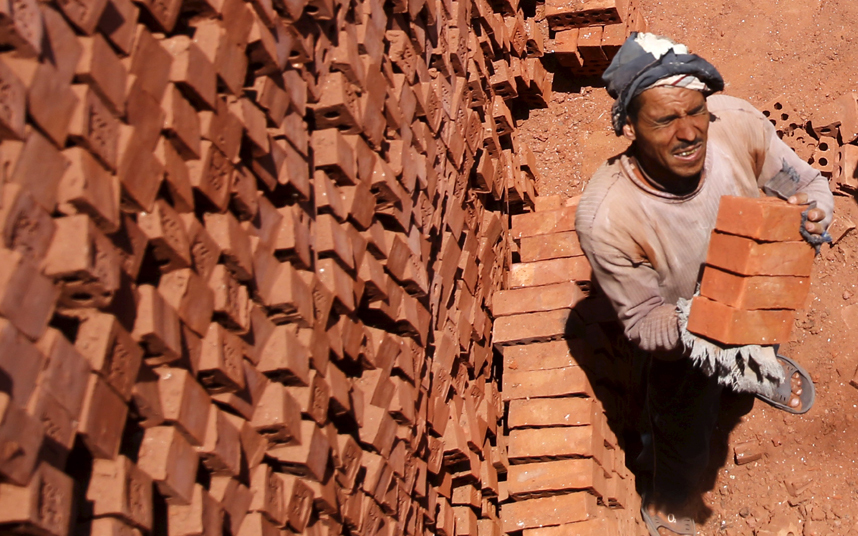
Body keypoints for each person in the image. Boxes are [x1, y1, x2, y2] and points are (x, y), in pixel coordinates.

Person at [574, 33, 834, 536]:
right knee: (684, 434)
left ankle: (758, 368)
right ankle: (669, 503)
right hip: (683, 350)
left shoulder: (734, 123)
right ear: (628, 124)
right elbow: (646, 323)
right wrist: (707, 327)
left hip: (758, 301)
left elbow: (806, 183)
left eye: (695, 111)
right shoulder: (607, 217)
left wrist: (817, 213)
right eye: (665, 119)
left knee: (760, 343)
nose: (690, 131)